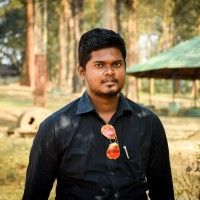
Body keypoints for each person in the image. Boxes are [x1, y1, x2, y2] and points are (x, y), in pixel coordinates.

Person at [22, 28, 174, 200]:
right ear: (81, 71)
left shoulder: (149, 123)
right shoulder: (55, 127)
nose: (110, 72)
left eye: (117, 64)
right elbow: (34, 194)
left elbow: (163, 191)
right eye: (99, 65)